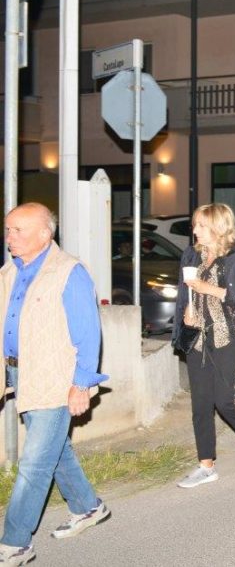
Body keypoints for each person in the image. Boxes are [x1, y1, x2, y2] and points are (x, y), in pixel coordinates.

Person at [0, 204, 111, 564]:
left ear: (45, 234)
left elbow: (88, 334)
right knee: (54, 448)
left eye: (18, 230)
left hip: (55, 378)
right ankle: (88, 507)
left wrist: (81, 384)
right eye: (8, 229)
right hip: (20, 374)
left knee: (34, 463)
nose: (9, 237)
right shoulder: (9, 272)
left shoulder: (68, 271)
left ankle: (15, 543)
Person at [174, 203, 235, 488]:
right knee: (201, 403)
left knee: (225, 400)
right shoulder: (193, 255)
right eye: (195, 225)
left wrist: (210, 289)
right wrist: (187, 311)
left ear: (218, 227)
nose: (195, 230)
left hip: (231, 336)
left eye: (201, 225)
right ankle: (206, 466)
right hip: (199, 338)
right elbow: (187, 294)